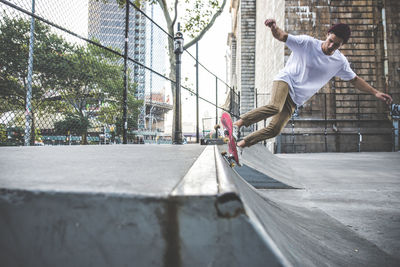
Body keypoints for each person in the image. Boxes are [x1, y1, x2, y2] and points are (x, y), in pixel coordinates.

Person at [233, 19, 393, 149]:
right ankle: (237, 124)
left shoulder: (340, 61)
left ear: (341, 45)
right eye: (330, 41)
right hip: (286, 80)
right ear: (327, 34)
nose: (331, 46)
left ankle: (240, 145)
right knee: (275, 106)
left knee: (274, 130)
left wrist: (375, 92)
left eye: (336, 45)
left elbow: (355, 80)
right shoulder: (307, 43)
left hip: (296, 98)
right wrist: (274, 27)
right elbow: (282, 36)